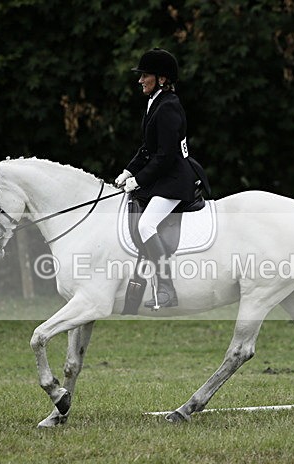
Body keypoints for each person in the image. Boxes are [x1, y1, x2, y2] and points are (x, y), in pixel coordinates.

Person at [115, 48, 198, 308]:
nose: (140, 80)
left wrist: (138, 180)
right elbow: (147, 149)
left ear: (161, 79)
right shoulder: (156, 103)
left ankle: (166, 289)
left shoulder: (169, 106)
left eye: (145, 76)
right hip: (165, 176)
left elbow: (165, 156)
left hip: (175, 180)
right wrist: (128, 171)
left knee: (146, 225)